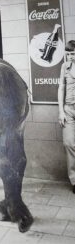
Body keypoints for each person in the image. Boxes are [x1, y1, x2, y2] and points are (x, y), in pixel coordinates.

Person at [58, 40, 75, 193]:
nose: (70, 56)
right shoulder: (65, 67)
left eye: (73, 53)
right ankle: (74, 180)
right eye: (68, 53)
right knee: (69, 143)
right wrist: (61, 111)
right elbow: (61, 88)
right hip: (68, 111)